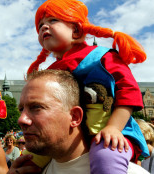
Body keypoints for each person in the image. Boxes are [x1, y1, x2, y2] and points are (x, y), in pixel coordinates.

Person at [26, 0, 149, 173]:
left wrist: (113, 128)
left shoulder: (104, 57)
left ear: (76, 29)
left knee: (105, 157)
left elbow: (129, 93)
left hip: (112, 135)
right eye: (40, 26)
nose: (44, 27)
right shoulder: (50, 72)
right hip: (68, 141)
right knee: (28, 161)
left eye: (53, 20)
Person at [8, 69, 149, 174]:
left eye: (36, 107)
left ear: (75, 117)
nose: (21, 119)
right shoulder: (28, 170)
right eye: (21, 109)